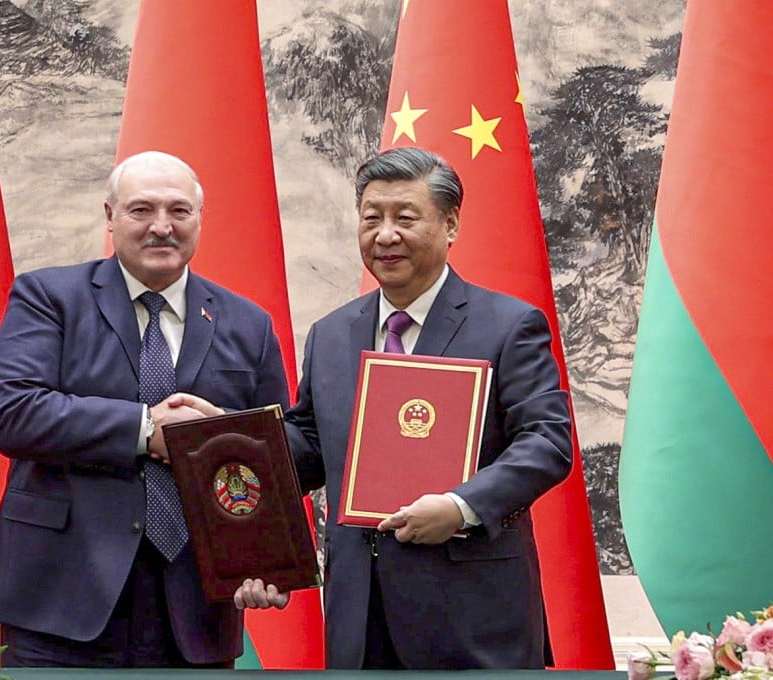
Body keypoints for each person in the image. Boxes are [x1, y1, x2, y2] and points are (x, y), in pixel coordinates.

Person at [234, 147, 573, 670]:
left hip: (472, 611)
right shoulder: (331, 334)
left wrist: (460, 508)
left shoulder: (508, 325)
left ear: (451, 223)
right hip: (358, 612)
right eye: (372, 218)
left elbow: (547, 441)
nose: (385, 235)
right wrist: (223, 444)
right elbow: (310, 447)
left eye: (404, 218)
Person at [0, 151, 289, 668]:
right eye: (141, 210)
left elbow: (272, 456)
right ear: (110, 217)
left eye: (179, 211)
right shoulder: (49, 297)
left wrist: (265, 562)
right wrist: (147, 430)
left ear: (200, 220)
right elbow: (15, 411)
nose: (161, 226)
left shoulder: (248, 323)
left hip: (196, 606)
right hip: (63, 597)